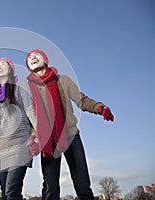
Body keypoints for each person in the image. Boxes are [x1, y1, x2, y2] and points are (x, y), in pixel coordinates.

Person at [25, 49, 114, 200]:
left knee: (82, 184)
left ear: (45, 60)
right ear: (28, 65)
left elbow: (82, 100)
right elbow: (29, 117)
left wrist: (100, 108)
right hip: (47, 141)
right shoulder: (27, 89)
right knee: (50, 187)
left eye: (36, 55)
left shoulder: (63, 80)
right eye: (29, 57)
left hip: (70, 136)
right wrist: (32, 137)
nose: (33, 57)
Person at [0, 58, 36, 200]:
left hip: (20, 145)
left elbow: (30, 109)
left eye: (3, 64)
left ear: (11, 68)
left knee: (12, 192)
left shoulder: (20, 85)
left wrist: (39, 133)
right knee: (5, 194)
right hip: (1, 151)